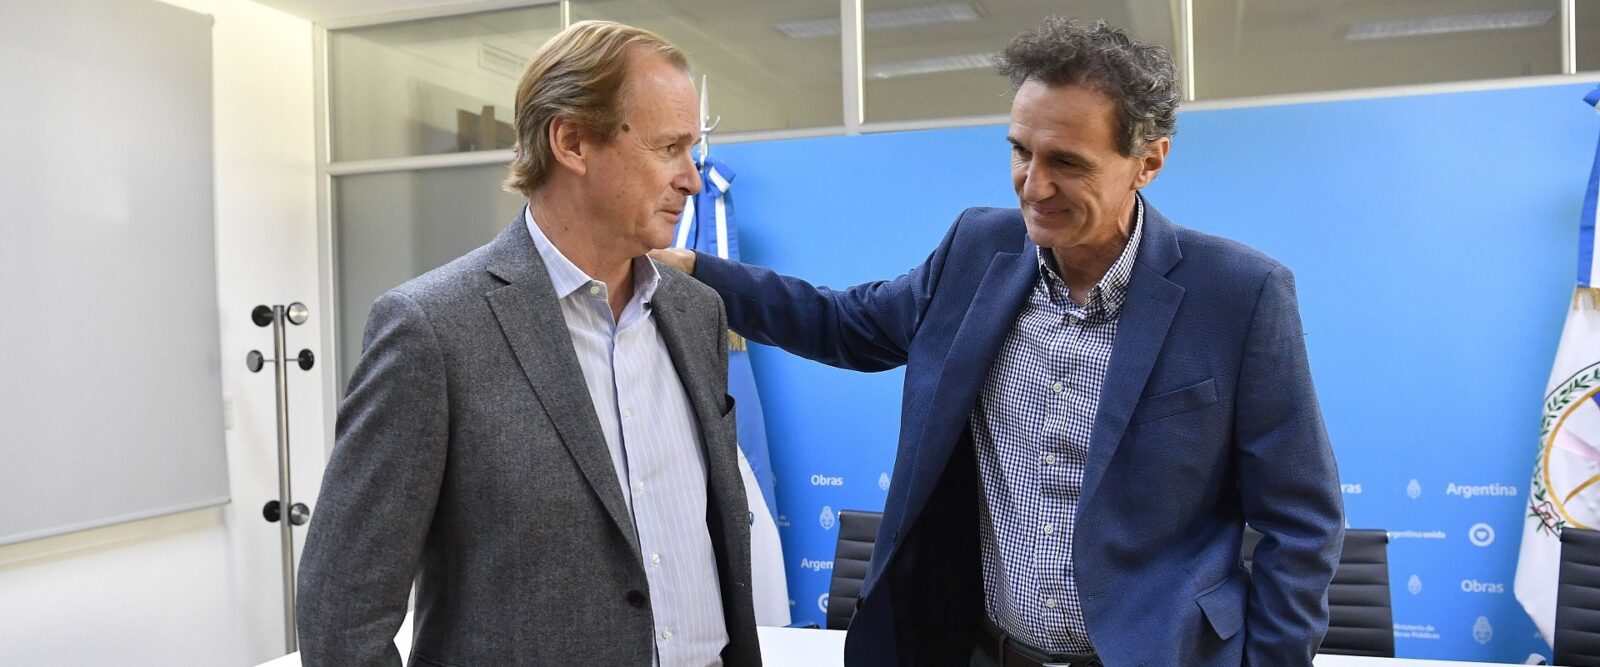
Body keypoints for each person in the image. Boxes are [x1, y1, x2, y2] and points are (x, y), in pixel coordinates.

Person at [651, 17, 1343, 667]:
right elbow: (846, 324)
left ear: (1148, 160)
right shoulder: (977, 250)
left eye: (1066, 162)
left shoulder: (1240, 295)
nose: (1033, 186)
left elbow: (1301, 521)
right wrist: (695, 270)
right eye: (1020, 151)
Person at [297, 20, 760, 667]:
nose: (692, 177)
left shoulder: (695, 313)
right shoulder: (433, 330)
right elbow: (341, 615)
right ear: (572, 142)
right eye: (669, 147)